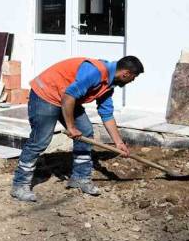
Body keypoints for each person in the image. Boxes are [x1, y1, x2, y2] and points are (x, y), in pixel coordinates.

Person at [10, 55, 144, 202]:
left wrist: (119, 143)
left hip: (65, 96)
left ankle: (80, 178)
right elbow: (69, 97)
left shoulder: (108, 83)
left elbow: (106, 114)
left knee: (85, 131)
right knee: (40, 141)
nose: (133, 81)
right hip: (46, 94)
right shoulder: (96, 72)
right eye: (134, 77)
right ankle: (20, 185)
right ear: (126, 74)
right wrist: (71, 127)